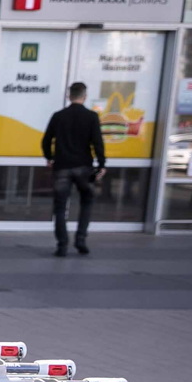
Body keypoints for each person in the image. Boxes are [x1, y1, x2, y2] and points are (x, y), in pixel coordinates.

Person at [41, 82, 107, 256]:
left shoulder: (58, 116)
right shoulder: (91, 116)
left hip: (62, 166)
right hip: (85, 167)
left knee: (60, 206)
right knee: (87, 201)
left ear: (69, 96)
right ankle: (81, 240)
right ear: (84, 96)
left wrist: (50, 158)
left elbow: (46, 140)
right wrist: (101, 165)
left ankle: (62, 245)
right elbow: (97, 143)